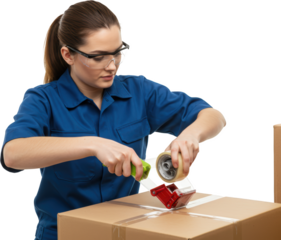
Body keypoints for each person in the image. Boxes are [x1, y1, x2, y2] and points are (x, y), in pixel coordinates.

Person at [0, 0, 227, 239]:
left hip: (123, 230)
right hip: (63, 234)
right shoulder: (43, 99)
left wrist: (192, 135)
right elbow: (13, 154)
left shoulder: (139, 91)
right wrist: (93, 145)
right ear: (68, 54)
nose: (112, 66)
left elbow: (214, 116)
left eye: (118, 52)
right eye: (98, 57)